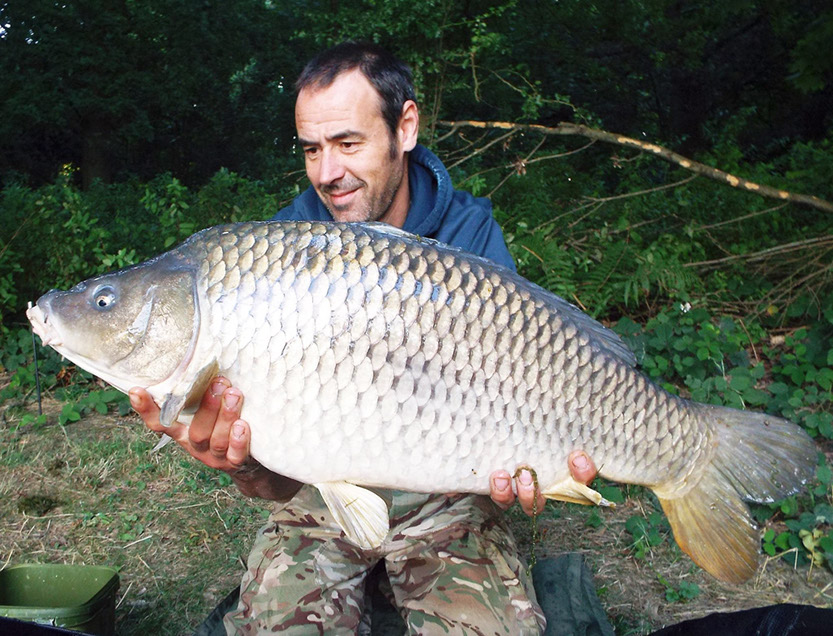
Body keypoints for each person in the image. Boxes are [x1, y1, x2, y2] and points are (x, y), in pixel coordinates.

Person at [129, 41, 598, 634]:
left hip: (448, 500)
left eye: (348, 144)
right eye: (312, 149)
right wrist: (239, 464)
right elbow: (277, 480)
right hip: (319, 496)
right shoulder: (277, 251)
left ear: (405, 128)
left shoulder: (470, 236)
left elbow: (528, 399)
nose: (328, 173)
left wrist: (535, 470)